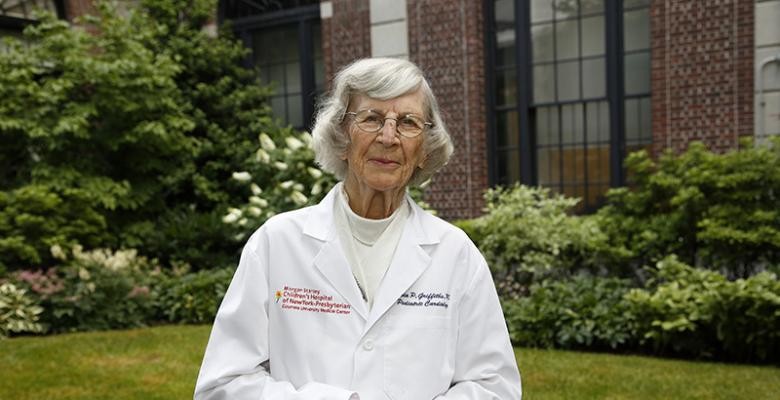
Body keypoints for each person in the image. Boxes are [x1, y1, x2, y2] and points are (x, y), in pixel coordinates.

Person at [194, 58, 522, 400]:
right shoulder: (277, 244)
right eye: (371, 119)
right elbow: (221, 385)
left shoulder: (456, 254)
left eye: (408, 122)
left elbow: (494, 386)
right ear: (341, 138)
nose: (389, 137)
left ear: (424, 149)